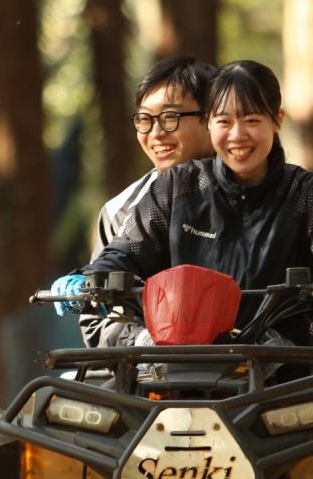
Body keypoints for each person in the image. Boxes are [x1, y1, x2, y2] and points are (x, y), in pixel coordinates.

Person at [55, 59, 313, 351]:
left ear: (277, 120)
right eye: (224, 121)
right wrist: (87, 279)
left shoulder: (306, 192)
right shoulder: (177, 186)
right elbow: (126, 251)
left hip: (282, 375)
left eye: (252, 120)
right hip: (176, 370)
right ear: (209, 123)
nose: (237, 135)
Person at [80, 55, 217, 348]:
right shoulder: (120, 210)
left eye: (170, 117)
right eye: (145, 119)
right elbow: (97, 319)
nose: (155, 133)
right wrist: (144, 341)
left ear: (210, 118)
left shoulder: (259, 191)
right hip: (149, 370)